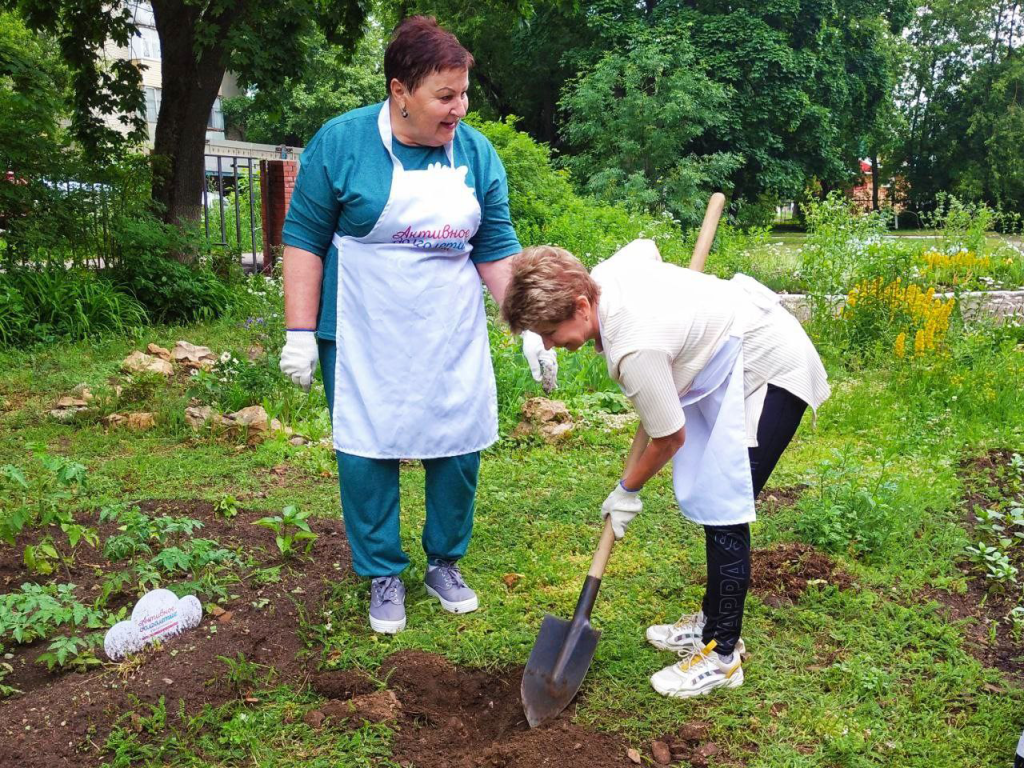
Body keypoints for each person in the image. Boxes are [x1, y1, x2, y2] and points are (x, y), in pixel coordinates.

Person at [278, 16, 556, 634]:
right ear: (400, 91)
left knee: (457, 442)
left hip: (447, 325)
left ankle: (444, 563)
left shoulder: (476, 151)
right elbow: (303, 237)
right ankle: (382, 572)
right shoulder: (343, 143)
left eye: (463, 95)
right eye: (445, 96)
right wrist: (300, 332)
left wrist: (528, 325)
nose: (460, 109)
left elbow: (494, 244)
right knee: (367, 448)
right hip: (359, 325)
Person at [501, 239, 830, 698]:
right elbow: (646, 248)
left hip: (768, 365)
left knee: (724, 508)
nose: (551, 343)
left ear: (581, 303)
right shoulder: (606, 275)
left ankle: (721, 655)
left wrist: (627, 489)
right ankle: (711, 624)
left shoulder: (635, 349)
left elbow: (669, 437)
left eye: (551, 333)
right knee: (715, 502)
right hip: (725, 352)